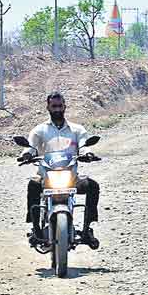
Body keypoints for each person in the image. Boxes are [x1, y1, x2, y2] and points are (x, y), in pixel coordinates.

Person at [19, 92, 101, 249]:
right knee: (32, 186)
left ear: (65, 107)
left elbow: (83, 145)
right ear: (48, 107)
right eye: (53, 106)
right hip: (46, 177)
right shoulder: (39, 130)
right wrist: (26, 154)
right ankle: (35, 230)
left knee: (93, 186)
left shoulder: (77, 130)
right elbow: (30, 146)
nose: (57, 109)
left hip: (71, 177)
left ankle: (87, 229)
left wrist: (87, 154)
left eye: (60, 106)